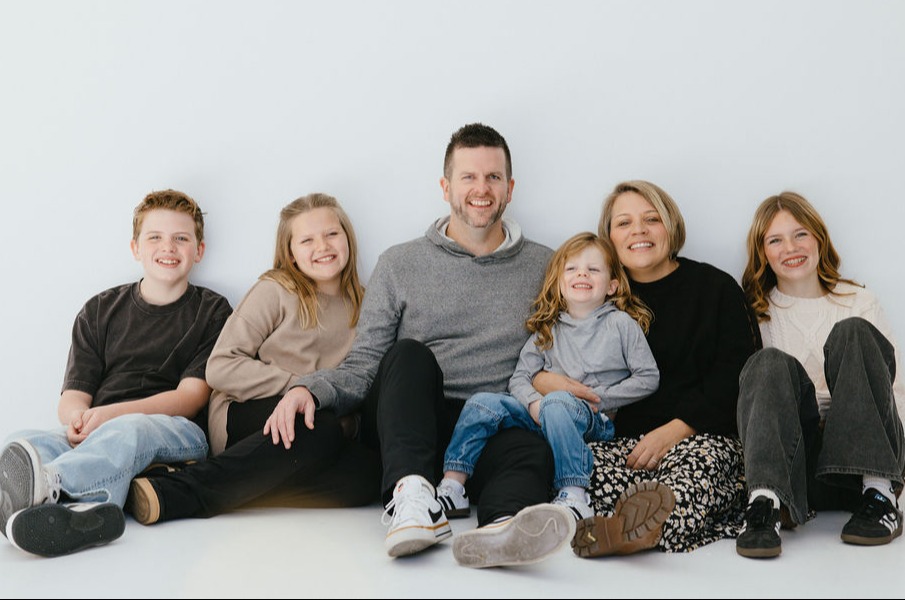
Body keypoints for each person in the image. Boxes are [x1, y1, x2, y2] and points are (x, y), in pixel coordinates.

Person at [288, 122, 575, 568]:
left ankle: (502, 531)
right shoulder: (399, 263)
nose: (481, 189)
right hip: (413, 423)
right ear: (446, 187)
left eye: (493, 177)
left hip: (487, 428)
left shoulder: (546, 265)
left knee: (530, 447)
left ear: (510, 188)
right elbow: (365, 362)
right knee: (409, 355)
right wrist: (310, 389)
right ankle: (413, 502)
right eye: (468, 177)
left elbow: (567, 344)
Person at [0, 189, 232, 557]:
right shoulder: (100, 310)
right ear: (135, 248)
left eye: (181, 238)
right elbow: (73, 397)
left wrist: (110, 416)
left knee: (130, 430)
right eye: (154, 237)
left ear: (198, 250)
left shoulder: (213, 311)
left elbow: (190, 398)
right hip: (100, 427)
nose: (168, 247)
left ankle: (51, 490)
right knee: (24, 441)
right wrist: (78, 420)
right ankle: (81, 513)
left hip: (176, 430)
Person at [535, 180, 761, 557]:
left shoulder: (715, 288)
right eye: (624, 223)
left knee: (694, 477)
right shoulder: (595, 292)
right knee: (574, 473)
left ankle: (631, 530)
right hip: (622, 443)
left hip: (701, 436)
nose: (638, 230)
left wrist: (676, 430)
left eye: (651, 219)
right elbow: (551, 347)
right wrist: (543, 379)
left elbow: (738, 375)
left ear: (671, 226)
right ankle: (624, 524)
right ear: (609, 237)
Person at [125, 193, 379, 524]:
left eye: (332, 234)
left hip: (318, 427)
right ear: (291, 253)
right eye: (307, 240)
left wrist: (340, 414)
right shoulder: (275, 290)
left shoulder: (368, 305)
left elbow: (362, 377)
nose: (322, 246)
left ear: (348, 238)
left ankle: (246, 486)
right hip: (244, 412)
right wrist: (301, 388)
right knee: (319, 425)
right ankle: (177, 491)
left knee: (367, 476)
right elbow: (221, 366)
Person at [438, 231, 659, 522]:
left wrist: (599, 399)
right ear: (559, 283)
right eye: (572, 268)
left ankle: (574, 493)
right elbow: (520, 378)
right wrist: (533, 404)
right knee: (483, 403)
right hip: (543, 411)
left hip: (593, 419)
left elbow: (648, 377)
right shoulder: (548, 329)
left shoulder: (620, 324)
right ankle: (454, 486)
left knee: (557, 403)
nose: (582, 274)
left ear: (612, 286)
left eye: (593, 269)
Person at [734, 191, 905, 559]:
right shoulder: (756, 312)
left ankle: (881, 495)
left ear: (818, 238)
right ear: (763, 252)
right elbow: (756, 403)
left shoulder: (858, 300)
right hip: (797, 469)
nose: (790, 248)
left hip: (865, 462)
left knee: (852, 332)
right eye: (775, 240)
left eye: (800, 234)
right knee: (768, 362)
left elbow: (896, 390)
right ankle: (764, 504)